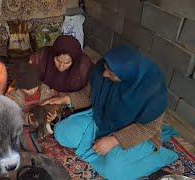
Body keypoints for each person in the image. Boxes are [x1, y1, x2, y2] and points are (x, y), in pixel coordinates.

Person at [54, 45, 178, 180]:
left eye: (111, 73)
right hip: (102, 119)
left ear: (127, 75)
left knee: (114, 172)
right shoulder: (104, 68)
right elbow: (88, 95)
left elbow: (148, 128)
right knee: (62, 132)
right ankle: (100, 153)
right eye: (106, 69)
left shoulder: (152, 91)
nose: (104, 74)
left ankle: (161, 156)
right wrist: (65, 99)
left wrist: (114, 140)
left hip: (133, 132)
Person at [30, 35, 94, 110]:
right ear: (53, 54)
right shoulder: (43, 56)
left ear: (75, 60)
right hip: (45, 90)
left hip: (71, 99)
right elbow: (26, 68)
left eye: (67, 63)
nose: (61, 67)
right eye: (58, 60)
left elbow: (88, 95)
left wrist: (65, 99)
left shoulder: (84, 68)